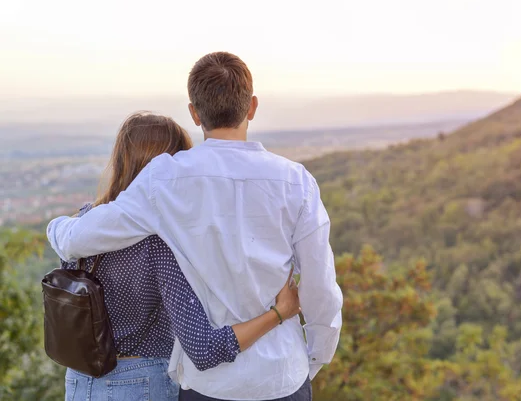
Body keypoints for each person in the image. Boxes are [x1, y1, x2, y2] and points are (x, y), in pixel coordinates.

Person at [47, 52, 343, 401]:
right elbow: (321, 289)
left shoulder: (166, 177)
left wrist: (57, 227)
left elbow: (77, 240)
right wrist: (312, 361)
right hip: (282, 376)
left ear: (194, 112)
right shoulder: (297, 182)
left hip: (209, 385)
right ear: (252, 107)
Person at [57, 112, 301, 401]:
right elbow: (204, 349)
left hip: (78, 384)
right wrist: (279, 313)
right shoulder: (160, 243)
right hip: (142, 383)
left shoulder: (83, 223)